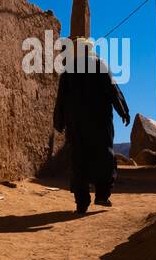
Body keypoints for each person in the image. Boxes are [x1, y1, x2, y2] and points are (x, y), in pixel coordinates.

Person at [53, 40, 130, 214]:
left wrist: (59, 122)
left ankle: (81, 202)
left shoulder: (69, 70)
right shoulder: (100, 65)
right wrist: (123, 111)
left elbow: (61, 98)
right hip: (99, 122)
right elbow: (113, 91)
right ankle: (102, 195)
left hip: (77, 125)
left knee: (79, 160)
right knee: (104, 156)